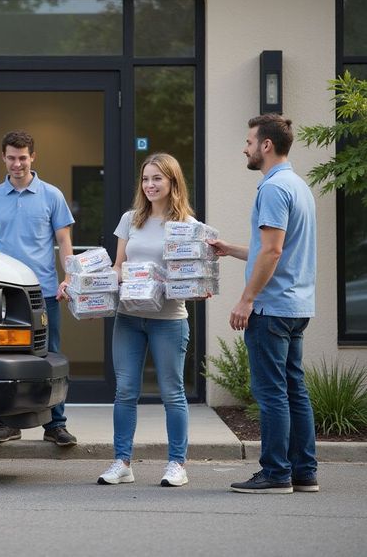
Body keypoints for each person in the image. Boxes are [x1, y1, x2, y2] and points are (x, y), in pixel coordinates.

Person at [209, 114, 318, 494]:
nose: (245, 147)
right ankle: (304, 473)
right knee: (293, 390)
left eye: (249, 141)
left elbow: (271, 253)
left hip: (270, 308)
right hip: (296, 306)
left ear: (266, 145)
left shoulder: (271, 189)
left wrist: (246, 299)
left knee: (272, 392)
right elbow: (269, 249)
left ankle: (275, 473)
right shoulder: (298, 186)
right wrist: (231, 249)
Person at [98, 152, 196, 487]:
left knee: (172, 393)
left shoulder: (187, 227)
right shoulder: (131, 220)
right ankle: (122, 462)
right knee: (125, 391)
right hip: (128, 317)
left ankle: (176, 464)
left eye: (157, 178)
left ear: (172, 182)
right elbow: (117, 266)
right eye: (145, 179)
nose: (150, 185)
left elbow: (193, 276)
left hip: (168, 320)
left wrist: (186, 285)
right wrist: (85, 284)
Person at [0, 130, 77, 446]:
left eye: (22, 158)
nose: (17, 164)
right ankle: (9, 423)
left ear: (33, 157)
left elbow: (64, 242)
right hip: (4, 293)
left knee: (50, 355)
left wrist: (69, 278)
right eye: (11, 158)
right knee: (7, 356)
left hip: (44, 291)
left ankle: (56, 425)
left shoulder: (52, 196)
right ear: (3, 158)